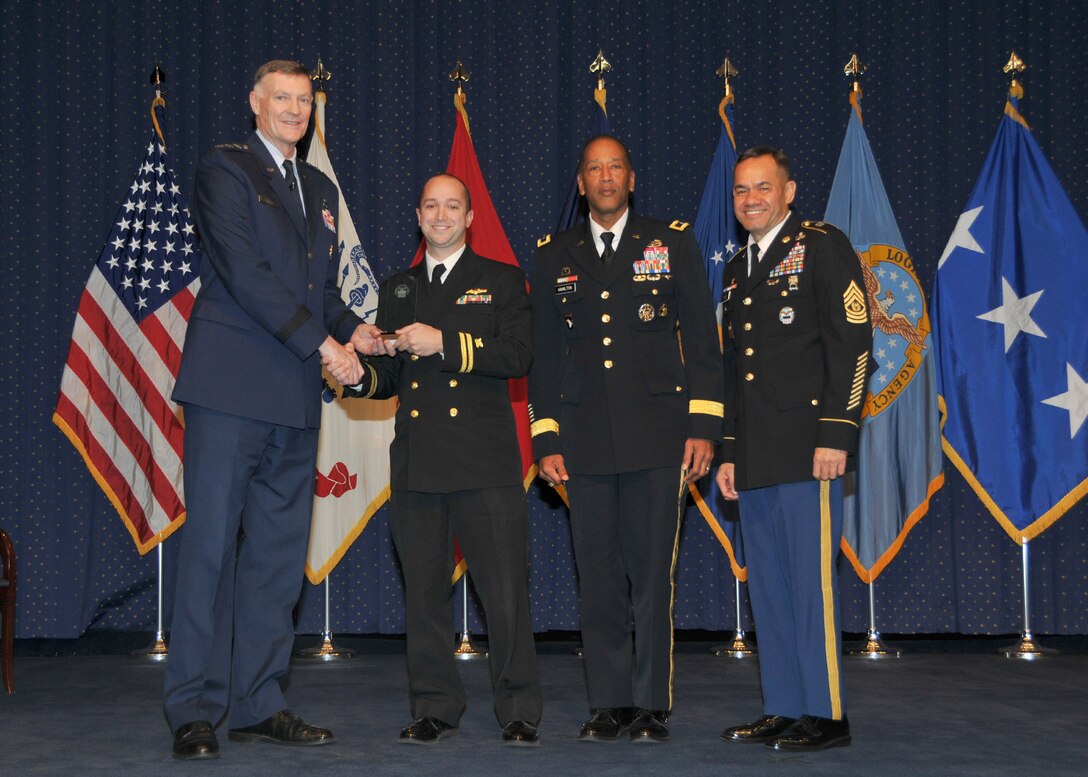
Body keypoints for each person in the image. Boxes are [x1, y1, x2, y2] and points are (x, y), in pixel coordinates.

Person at [165, 59, 367, 761]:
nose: (294, 110)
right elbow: (247, 274)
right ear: (255, 104)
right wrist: (327, 347)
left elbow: (317, 287)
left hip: (294, 395)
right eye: (281, 98)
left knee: (278, 561)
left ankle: (259, 698)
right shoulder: (224, 169)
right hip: (229, 391)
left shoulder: (316, 186)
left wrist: (352, 330)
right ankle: (193, 705)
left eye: (304, 100)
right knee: (212, 552)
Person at [528, 135, 723, 743]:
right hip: (583, 442)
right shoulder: (552, 255)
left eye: (615, 167)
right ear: (581, 184)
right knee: (599, 576)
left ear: (631, 179)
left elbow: (702, 339)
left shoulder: (671, 242)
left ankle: (651, 704)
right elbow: (545, 357)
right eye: (594, 169)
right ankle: (608, 701)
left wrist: (704, 427)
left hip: (659, 438)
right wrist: (546, 437)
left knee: (650, 576)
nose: (605, 177)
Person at [347, 174, 542, 747]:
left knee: (504, 594)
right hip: (419, 463)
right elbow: (390, 377)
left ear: (470, 216)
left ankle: (518, 709)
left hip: (484, 465)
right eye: (430, 205)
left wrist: (446, 342)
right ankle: (434, 703)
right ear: (417, 214)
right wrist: (359, 373)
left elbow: (518, 355)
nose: (440, 214)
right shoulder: (398, 286)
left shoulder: (502, 280)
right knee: (424, 596)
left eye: (451, 205)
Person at [715, 147, 872, 751]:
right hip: (754, 455)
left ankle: (827, 713)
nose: (750, 199)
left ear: (789, 191)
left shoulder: (822, 245)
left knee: (811, 586)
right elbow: (734, 371)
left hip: (810, 451)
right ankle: (784, 705)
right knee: (771, 589)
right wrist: (729, 450)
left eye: (762, 187)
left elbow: (854, 345)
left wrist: (837, 433)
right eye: (740, 190)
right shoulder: (735, 269)